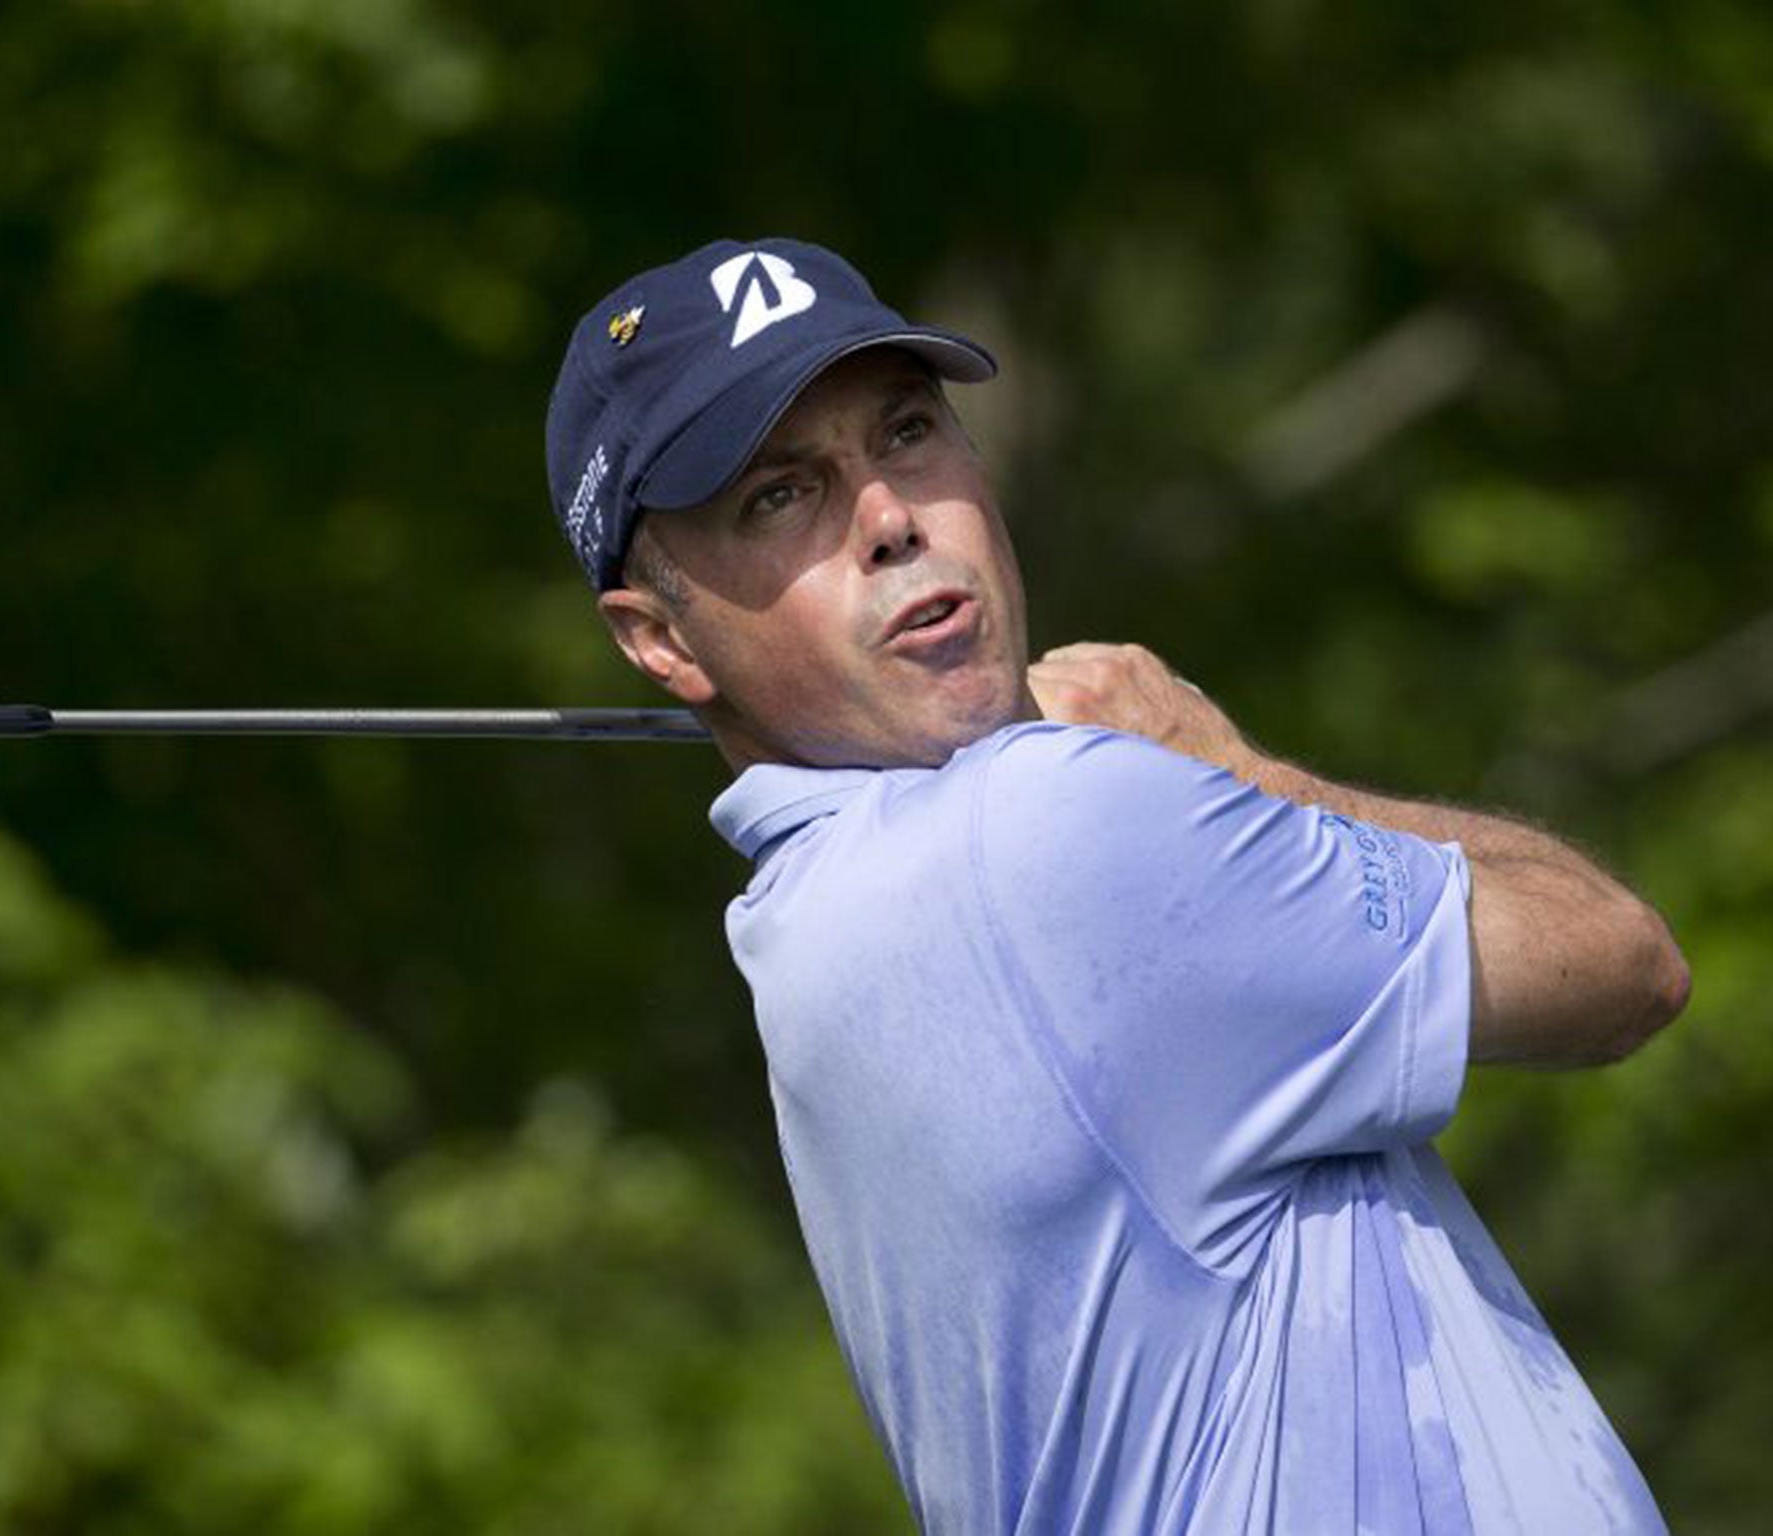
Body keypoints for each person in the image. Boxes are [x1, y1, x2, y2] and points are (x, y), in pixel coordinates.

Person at [544, 238, 1692, 1534]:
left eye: (908, 432)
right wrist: (1236, 767)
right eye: (777, 497)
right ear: (656, 636)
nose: (888, 520)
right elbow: (1620, 963)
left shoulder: (806, 934)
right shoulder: (1051, 830)